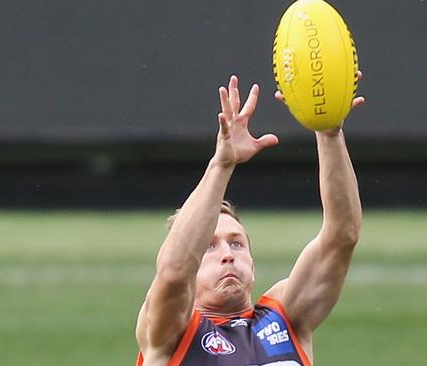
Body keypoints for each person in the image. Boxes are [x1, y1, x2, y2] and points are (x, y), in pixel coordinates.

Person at [135, 73, 365, 366]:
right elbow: (174, 271)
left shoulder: (286, 318)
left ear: (253, 266)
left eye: (237, 244)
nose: (228, 255)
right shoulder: (170, 333)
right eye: (209, 246)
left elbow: (342, 235)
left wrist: (329, 132)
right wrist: (222, 163)